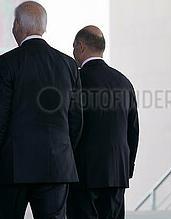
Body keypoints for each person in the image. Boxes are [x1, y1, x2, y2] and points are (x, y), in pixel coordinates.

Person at [0, 1, 83, 219]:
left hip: (13, 168)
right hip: (56, 168)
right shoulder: (69, 65)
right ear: (43, 27)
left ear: (17, 25)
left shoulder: (8, 62)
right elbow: (76, 121)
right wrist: (61, 151)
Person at [67, 25, 139, 219]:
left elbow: (69, 127)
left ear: (81, 47)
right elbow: (133, 130)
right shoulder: (124, 82)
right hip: (116, 173)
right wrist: (126, 168)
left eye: (73, 48)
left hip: (83, 174)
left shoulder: (75, 81)